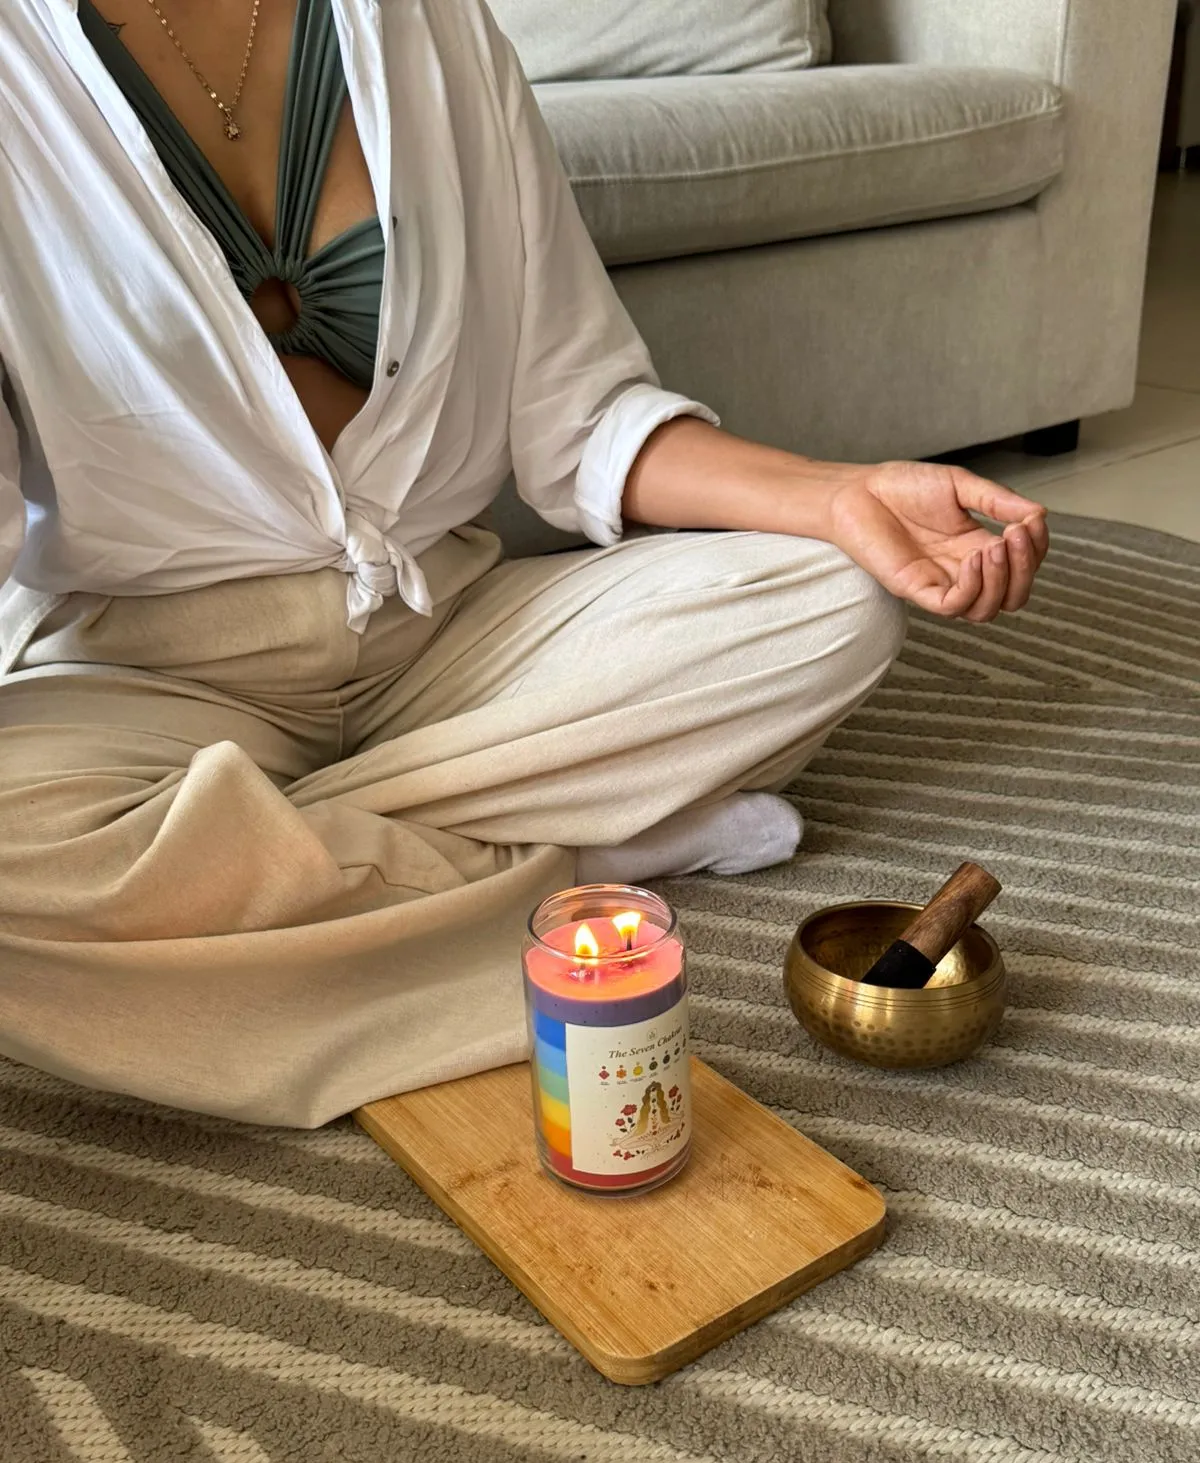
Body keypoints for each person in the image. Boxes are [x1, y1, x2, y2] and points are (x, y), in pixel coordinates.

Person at [0, 0, 1048, 1126]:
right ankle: (579, 856)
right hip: (151, 669)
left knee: (833, 603)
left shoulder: (430, 24)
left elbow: (578, 411)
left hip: (444, 630)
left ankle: (268, 852)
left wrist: (836, 497)